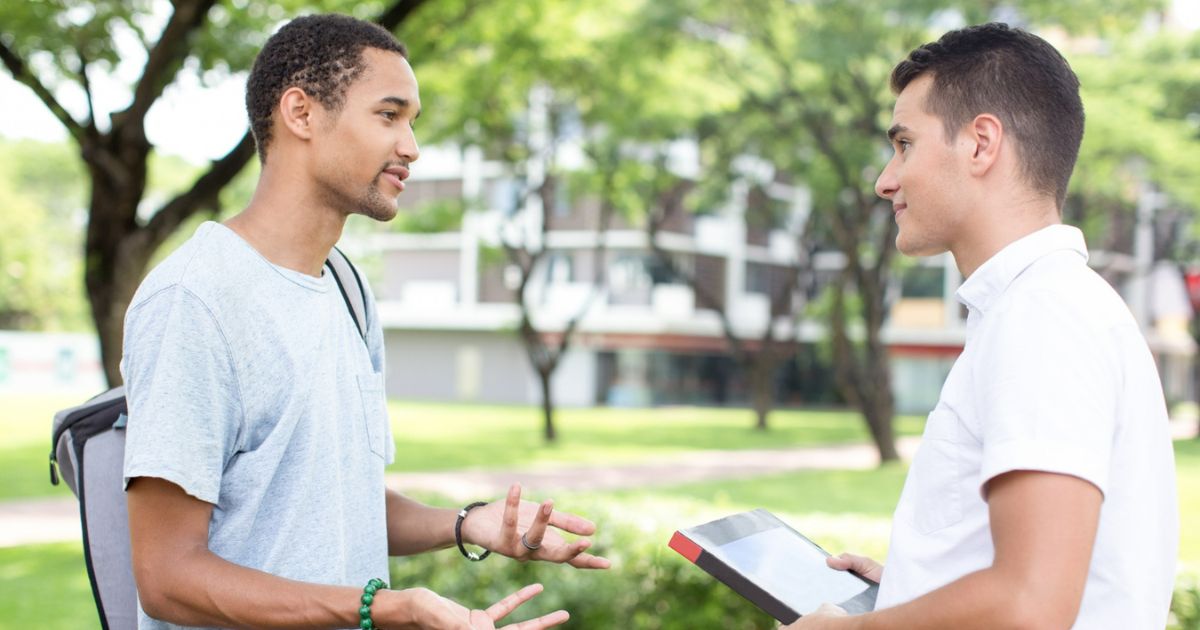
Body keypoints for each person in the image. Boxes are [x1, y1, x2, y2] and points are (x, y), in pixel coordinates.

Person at [122, 14, 608, 630]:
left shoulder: (347, 288)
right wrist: (386, 609)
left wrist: (466, 523)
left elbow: (334, 502)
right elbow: (167, 577)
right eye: (388, 115)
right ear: (300, 113)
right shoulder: (195, 300)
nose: (411, 146)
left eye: (412, 122)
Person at [786, 22, 1178, 629]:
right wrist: (917, 593)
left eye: (905, 145)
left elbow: (1031, 605)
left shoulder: (1043, 316)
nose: (884, 180)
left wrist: (853, 629)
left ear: (981, 143)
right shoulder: (1046, 307)